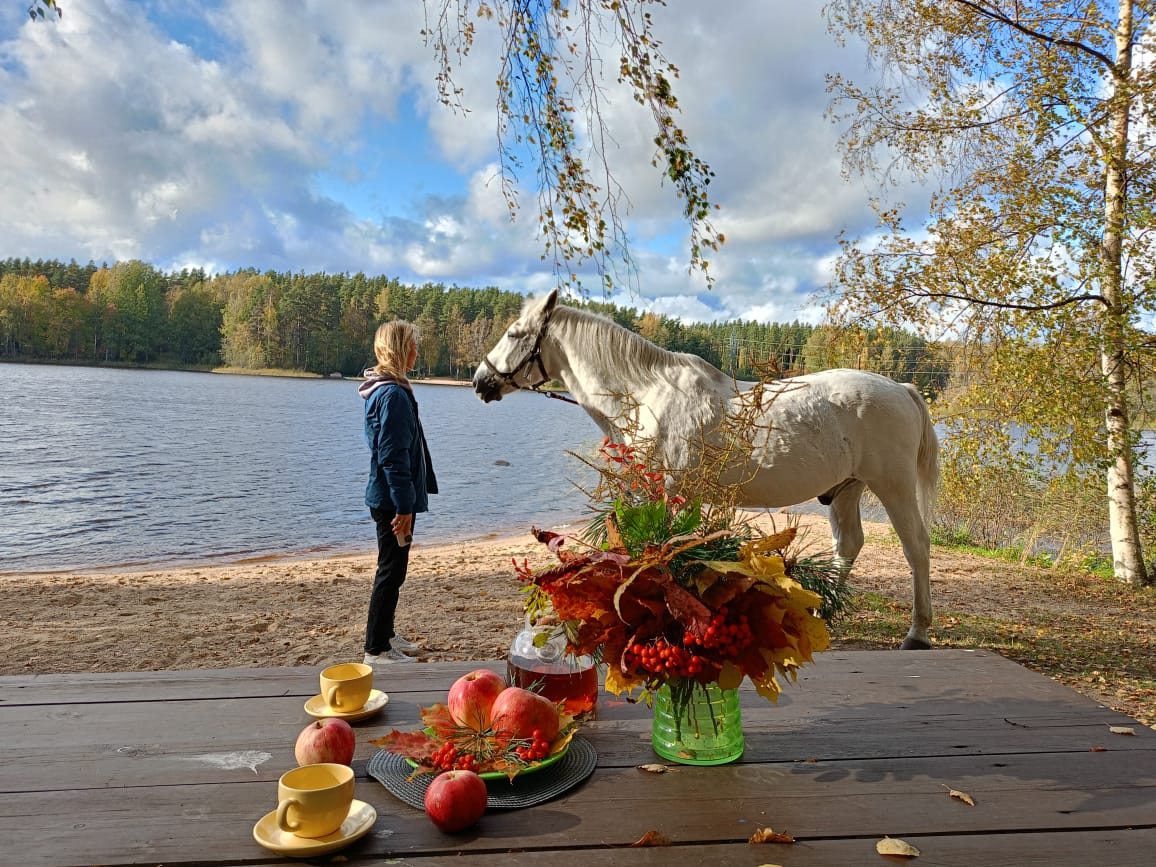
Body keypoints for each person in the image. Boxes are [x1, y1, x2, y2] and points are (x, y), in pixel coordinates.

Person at [357, 320, 438, 665]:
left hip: (393, 498)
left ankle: (386, 635)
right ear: (399, 350)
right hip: (393, 501)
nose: (416, 352)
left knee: (396, 570)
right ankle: (375, 649)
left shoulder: (390, 389)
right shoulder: (391, 394)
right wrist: (404, 507)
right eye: (412, 346)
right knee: (390, 571)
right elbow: (392, 457)